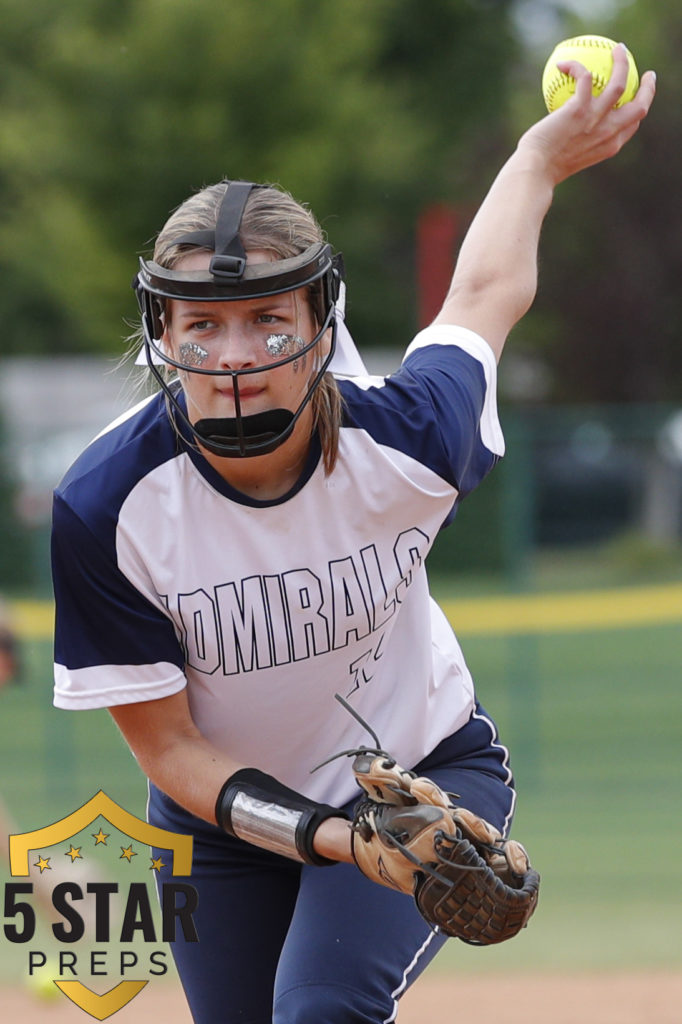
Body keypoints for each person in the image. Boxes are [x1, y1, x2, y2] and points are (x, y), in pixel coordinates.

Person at [51, 47, 655, 1023]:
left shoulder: (407, 438)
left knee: (323, 1007)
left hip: (424, 784)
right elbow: (167, 751)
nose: (236, 355)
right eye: (201, 324)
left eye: (267, 318)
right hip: (222, 823)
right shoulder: (109, 507)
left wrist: (537, 162)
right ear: (161, 330)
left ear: (322, 323)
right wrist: (330, 835)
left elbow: (483, 296)